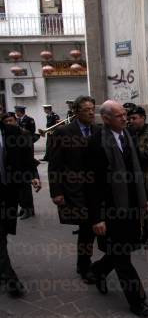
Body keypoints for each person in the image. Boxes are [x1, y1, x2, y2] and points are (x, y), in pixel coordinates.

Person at [85, 100, 148, 318]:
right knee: (123, 257)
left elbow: (136, 170)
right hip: (110, 211)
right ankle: (137, 301)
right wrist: (96, 218)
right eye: (119, 116)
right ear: (106, 119)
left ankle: (97, 271)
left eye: (125, 114)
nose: (125, 118)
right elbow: (92, 184)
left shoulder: (128, 135)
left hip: (130, 207)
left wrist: (142, 198)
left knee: (121, 250)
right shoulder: (96, 142)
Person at [49, 96, 99, 284]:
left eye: (93, 109)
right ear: (77, 112)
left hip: (95, 189)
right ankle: (84, 266)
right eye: (87, 110)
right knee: (86, 228)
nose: (91, 112)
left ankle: (86, 263)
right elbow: (55, 165)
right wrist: (56, 192)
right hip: (75, 189)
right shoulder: (63, 132)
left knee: (92, 228)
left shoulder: (97, 130)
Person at [1, 118, 41, 297]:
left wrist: (33, 175)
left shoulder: (11, 132)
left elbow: (25, 156)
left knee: (2, 234)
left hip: (6, 193)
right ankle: (11, 279)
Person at [128, 106, 148, 249]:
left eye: (134, 118)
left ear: (143, 118)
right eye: (130, 118)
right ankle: (143, 232)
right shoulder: (130, 133)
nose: (131, 121)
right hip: (134, 176)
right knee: (139, 206)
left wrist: (134, 146)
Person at [2, 112, 38, 220]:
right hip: (12, 167)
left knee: (25, 190)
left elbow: (29, 153)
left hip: (24, 166)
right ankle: (23, 208)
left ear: (16, 121)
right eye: (6, 121)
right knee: (17, 190)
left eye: (10, 120)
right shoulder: (5, 134)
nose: (9, 123)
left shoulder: (24, 133)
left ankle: (29, 210)